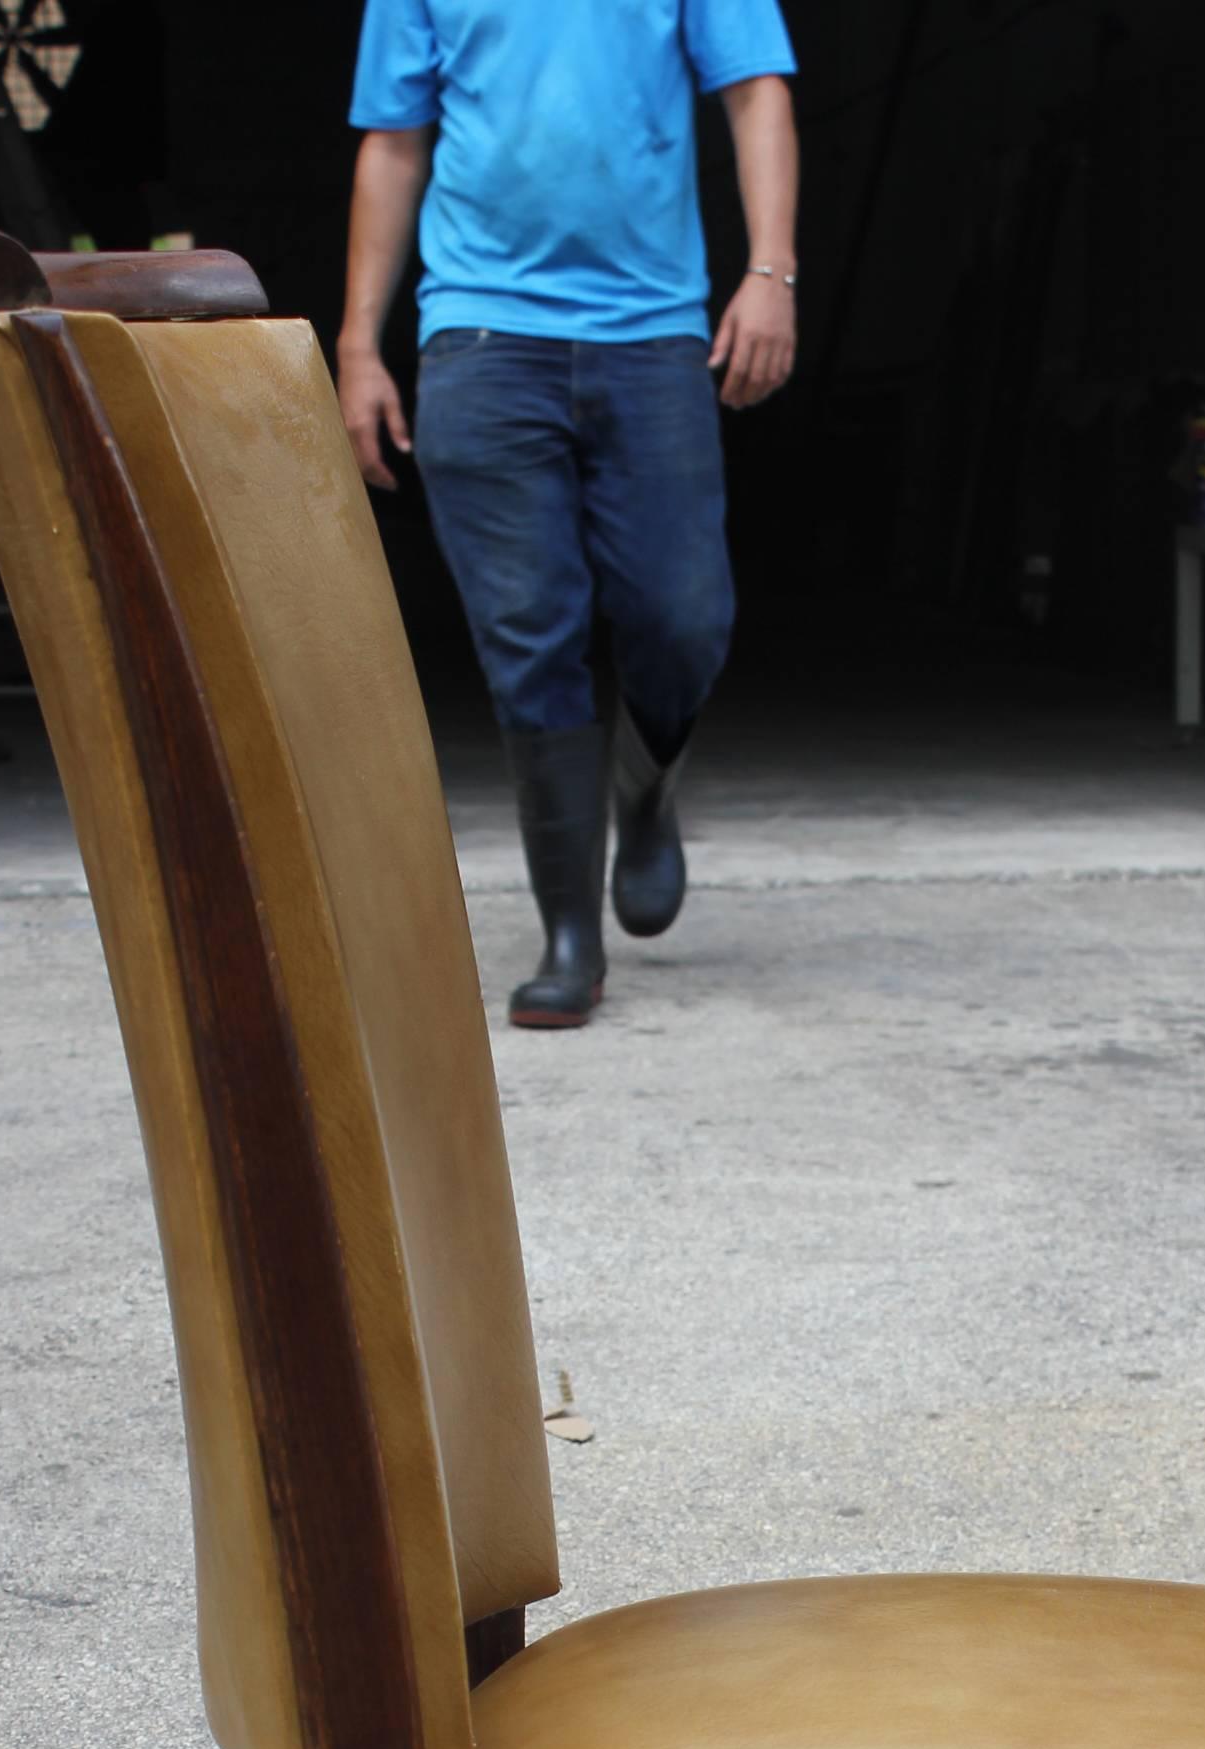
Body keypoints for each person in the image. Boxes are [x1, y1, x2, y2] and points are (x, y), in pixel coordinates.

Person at [340, 1, 800, 1029]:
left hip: (651, 333)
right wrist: (358, 344)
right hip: (481, 335)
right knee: (527, 634)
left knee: (683, 618)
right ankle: (568, 939)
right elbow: (395, 140)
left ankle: (643, 789)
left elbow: (756, 89)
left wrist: (770, 274)